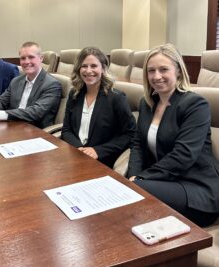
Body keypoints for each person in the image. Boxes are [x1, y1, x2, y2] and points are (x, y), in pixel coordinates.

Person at [127, 43, 219, 227]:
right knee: (127, 191)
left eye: (163, 69)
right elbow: (137, 144)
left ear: (178, 71)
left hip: (196, 189)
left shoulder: (195, 104)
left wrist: (142, 178)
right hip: (162, 182)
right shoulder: (146, 104)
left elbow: (183, 156)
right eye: (151, 70)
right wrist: (133, 175)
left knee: (133, 193)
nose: (156, 76)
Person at [61, 46, 136, 168]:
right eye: (84, 66)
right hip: (75, 156)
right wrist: (79, 148)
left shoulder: (116, 98)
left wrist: (98, 151)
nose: (88, 70)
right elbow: (66, 129)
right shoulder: (74, 94)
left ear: (103, 68)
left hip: (102, 161)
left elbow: (131, 134)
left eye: (94, 66)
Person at [0, 41, 62, 129]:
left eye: (31, 57)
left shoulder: (52, 84)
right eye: (23, 58)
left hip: (35, 131)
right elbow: (2, 100)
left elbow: (35, 112)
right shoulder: (16, 81)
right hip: (12, 126)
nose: (26, 62)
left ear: (41, 58)